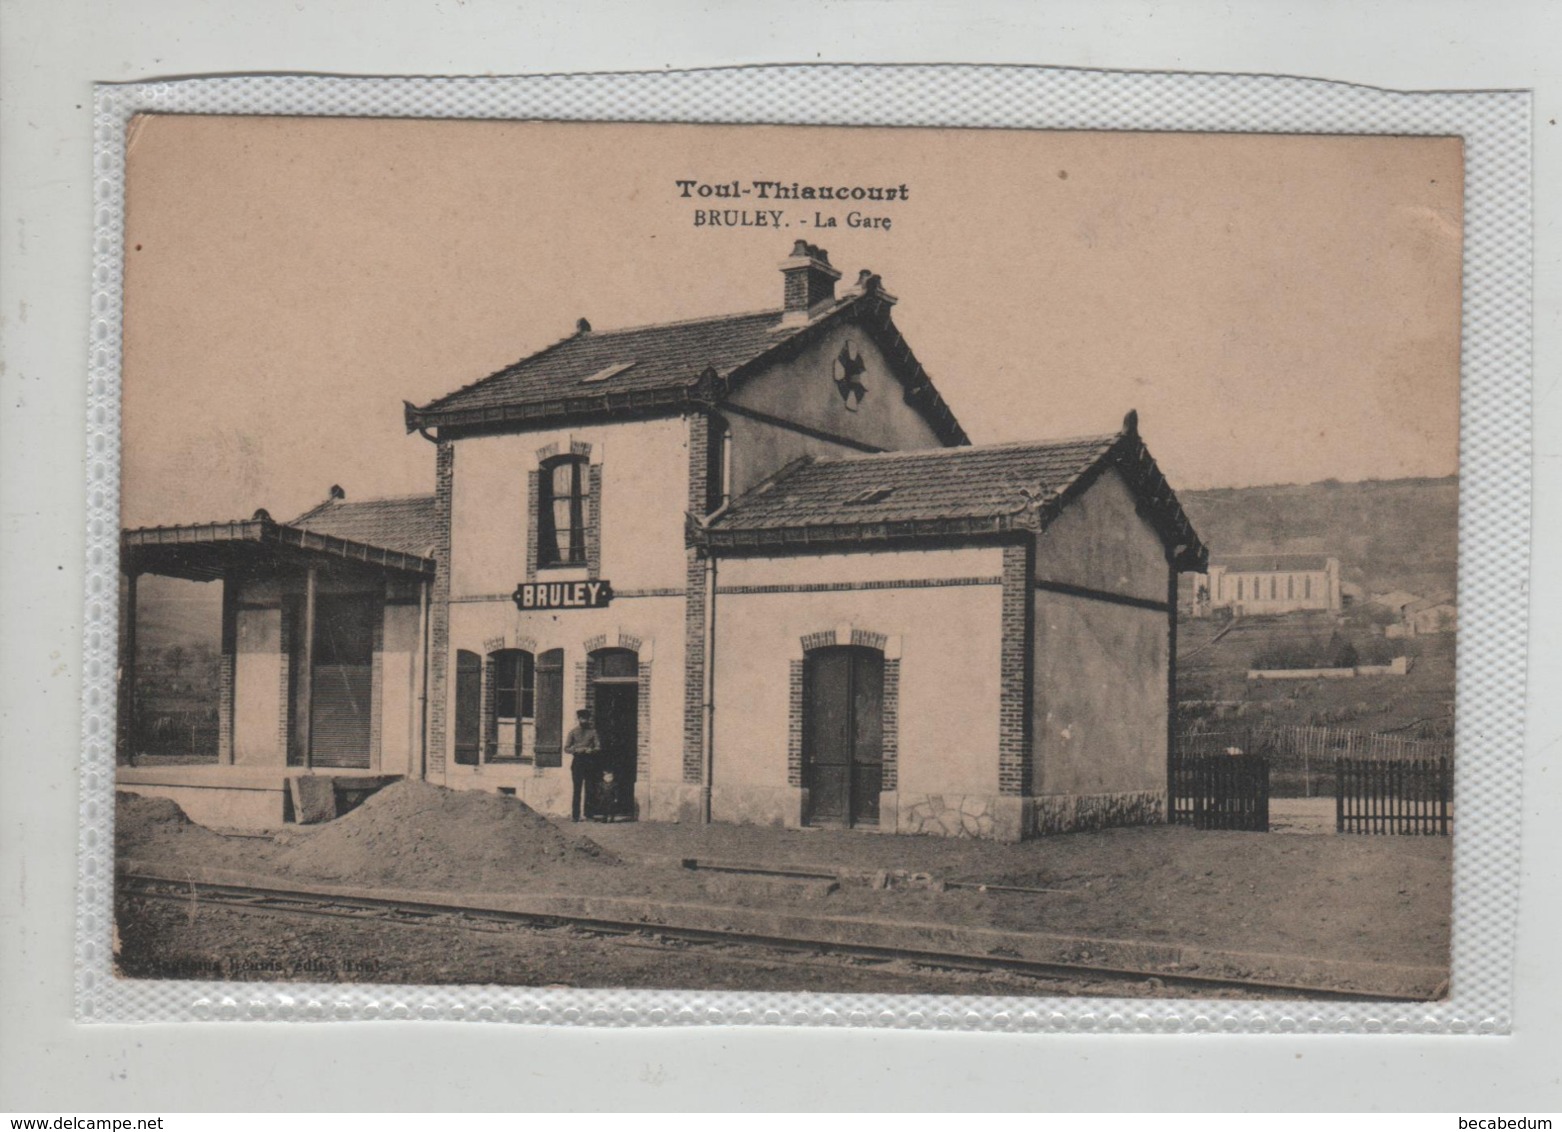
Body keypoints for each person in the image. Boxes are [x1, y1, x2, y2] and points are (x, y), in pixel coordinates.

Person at [565, 708, 601, 823]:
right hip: (577, 762)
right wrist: (576, 749)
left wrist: (592, 750)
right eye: (582, 718)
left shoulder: (593, 732)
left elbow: (598, 747)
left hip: (590, 762)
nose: (584, 720)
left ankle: (589, 814)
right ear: (579, 719)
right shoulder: (573, 732)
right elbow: (566, 748)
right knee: (577, 789)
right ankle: (575, 815)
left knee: (590, 789)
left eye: (586, 718)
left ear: (589, 719)